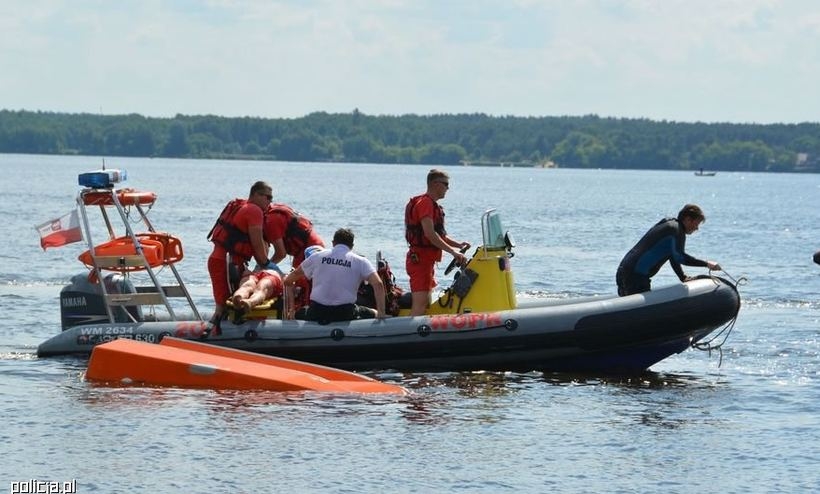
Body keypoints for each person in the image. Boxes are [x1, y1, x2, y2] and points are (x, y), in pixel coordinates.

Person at [283, 228, 386, 323]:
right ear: (352, 246)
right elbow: (378, 284)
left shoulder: (317, 256)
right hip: (345, 313)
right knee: (374, 312)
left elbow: (288, 281)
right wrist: (381, 312)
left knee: (300, 312)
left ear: (333, 243)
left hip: (317, 312)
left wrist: (291, 309)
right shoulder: (361, 261)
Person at [616, 204, 721, 296]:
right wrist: (707, 264)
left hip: (624, 270)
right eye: (696, 224)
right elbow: (680, 258)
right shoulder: (676, 230)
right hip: (636, 277)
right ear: (688, 219)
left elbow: (672, 255)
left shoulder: (669, 224)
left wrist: (682, 277)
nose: (697, 228)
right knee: (641, 315)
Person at [404, 169, 470, 316]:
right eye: (445, 184)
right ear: (435, 184)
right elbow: (429, 234)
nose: (448, 188)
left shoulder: (431, 205)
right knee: (420, 306)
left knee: (426, 305)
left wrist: (458, 245)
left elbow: (439, 236)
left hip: (427, 261)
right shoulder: (425, 203)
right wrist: (453, 252)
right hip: (420, 261)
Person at [206, 181, 273, 324]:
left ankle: (220, 329)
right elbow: (257, 245)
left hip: (222, 260)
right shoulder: (254, 211)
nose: (270, 201)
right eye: (267, 197)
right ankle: (211, 334)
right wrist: (267, 265)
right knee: (223, 307)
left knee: (227, 304)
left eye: (271, 198)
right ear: (255, 195)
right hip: (227, 263)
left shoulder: (241, 206)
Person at [263, 203, 325, 269]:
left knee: (296, 277)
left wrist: (265, 267)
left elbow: (281, 254)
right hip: (315, 244)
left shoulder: (272, 220)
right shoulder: (273, 208)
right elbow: (265, 244)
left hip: (308, 250)